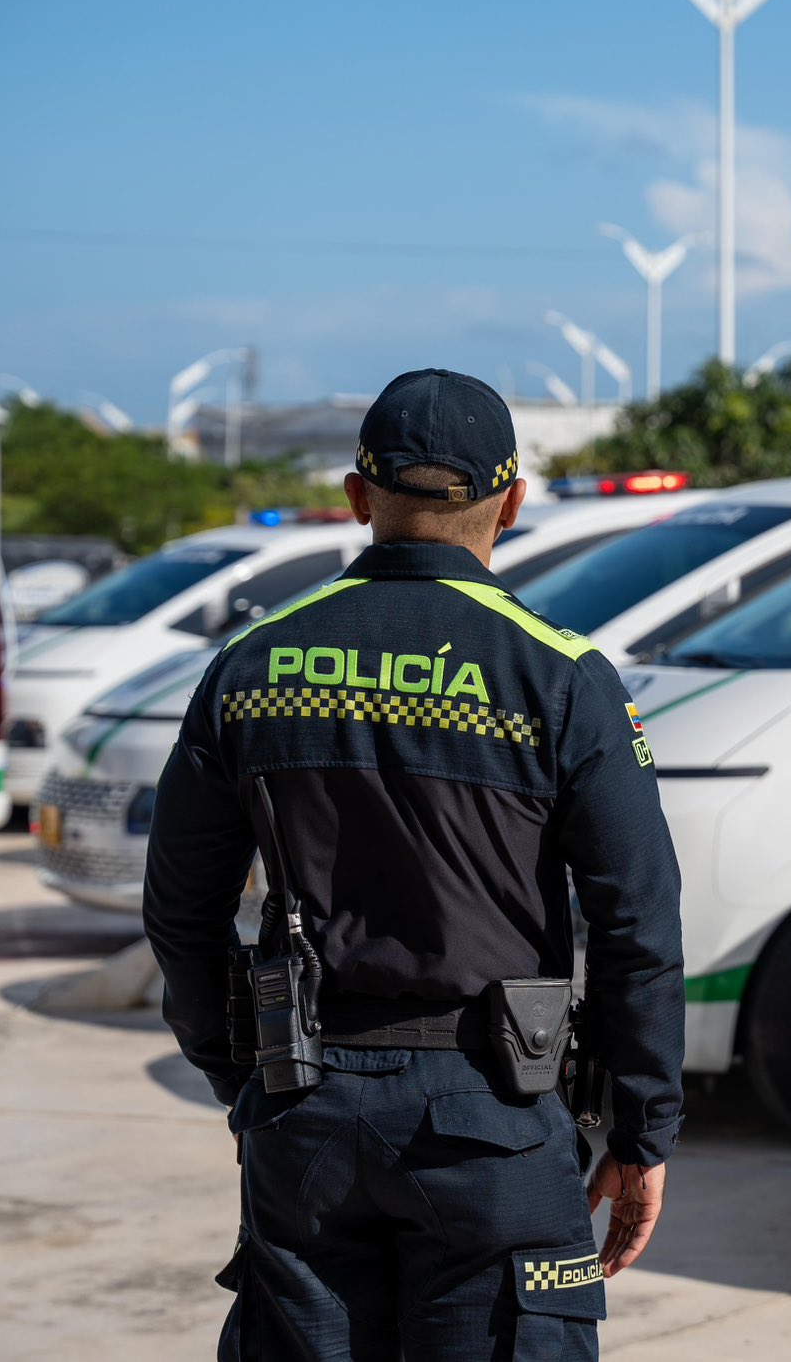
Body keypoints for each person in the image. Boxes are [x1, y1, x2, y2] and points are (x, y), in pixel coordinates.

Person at [143, 368, 684, 1361]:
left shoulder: (252, 663)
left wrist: (242, 1076)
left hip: (301, 1107)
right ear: (512, 504)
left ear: (358, 498)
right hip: (493, 1122)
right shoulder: (560, 675)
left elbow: (181, 912)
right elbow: (637, 921)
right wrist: (643, 1132)